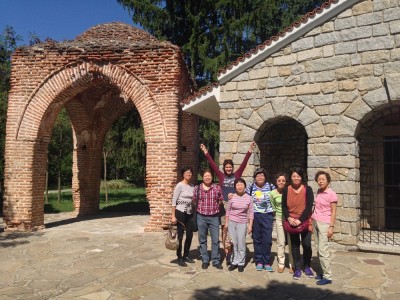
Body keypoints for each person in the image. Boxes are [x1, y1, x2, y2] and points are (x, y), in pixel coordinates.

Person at [200, 141, 255, 265]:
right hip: (223, 206)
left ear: (232, 168)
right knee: (224, 229)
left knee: (233, 230)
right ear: (224, 169)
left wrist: (249, 151)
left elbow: (244, 163)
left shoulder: (237, 175)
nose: (228, 169)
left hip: (235, 206)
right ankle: (226, 250)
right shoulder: (220, 176)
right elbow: (212, 164)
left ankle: (232, 251)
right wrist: (205, 151)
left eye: (230, 167)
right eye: (226, 167)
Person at [282, 167, 314, 280]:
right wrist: (289, 218)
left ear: (301, 177)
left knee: (307, 245)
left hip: (304, 220)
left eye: (298, 176)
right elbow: (284, 207)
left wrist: (300, 219)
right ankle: (297, 268)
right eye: (293, 176)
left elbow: (309, 206)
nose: (296, 178)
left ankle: (307, 266)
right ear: (290, 177)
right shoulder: (286, 190)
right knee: (294, 246)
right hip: (291, 221)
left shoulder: (307, 189)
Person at [193, 169, 224, 270]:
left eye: (209, 176)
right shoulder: (197, 188)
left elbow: (220, 200)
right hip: (201, 216)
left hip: (214, 217)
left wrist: (214, 208)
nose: (207, 177)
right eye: (205, 176)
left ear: (212, 177)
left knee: (215, 240)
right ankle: (205, 260)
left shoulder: (217, 188)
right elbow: (194, 200)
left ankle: (215, 260)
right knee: (202, 240)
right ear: (202, 177)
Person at [246, 167, 275, 272]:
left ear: (265, 177)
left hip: (267, 215)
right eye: (258, 175)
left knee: (267, 240)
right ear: (254, 178)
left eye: (262, 175)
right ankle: (259, 261)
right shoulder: (250, 188)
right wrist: (232, 195)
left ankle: (266, 261)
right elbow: (242, 196)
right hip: (255, 216)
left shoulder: (271, 187)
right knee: (257, 239)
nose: (260, 177)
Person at [312, 170, 337, 285]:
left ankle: (328, 276)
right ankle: (322, 272)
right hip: (315, 221)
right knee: (318, 248)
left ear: (328, 181)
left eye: (323, 179)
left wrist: (331, 227)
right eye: (319, 179)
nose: (321, 181)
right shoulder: (319, 191)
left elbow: (333, 212)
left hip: (325, 224)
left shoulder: (331, 194)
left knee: (323, 250)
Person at [226, 178, 254, 272]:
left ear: (245, 186)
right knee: (234, 243)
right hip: (232, 222)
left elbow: (251, 213)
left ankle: (241, 262)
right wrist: (226, 223)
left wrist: (250, 225)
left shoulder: (249, 198)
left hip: (242, 223)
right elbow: (228, 211)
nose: (240, 186)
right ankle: (235, 261)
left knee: (241, 243)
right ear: (235, 187)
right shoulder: (232, 197)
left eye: (241, 184)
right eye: (237, 185)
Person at [171, 167, 195, 267]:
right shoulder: (179, 185)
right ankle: (179, 257)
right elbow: (173, 201)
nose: (188, 174)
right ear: (183, 174)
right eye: (186, 172)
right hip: (180, 212)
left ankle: (186, 255)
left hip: (190, 212)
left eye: (190, 172)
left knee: (189, 235)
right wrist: (173, 216)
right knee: (180, 236)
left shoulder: (192, 186)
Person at [270, 172, 292, 273]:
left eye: (283, 180)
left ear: (286, 182)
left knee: (291, 242)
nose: (281, 182)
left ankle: (292, 264)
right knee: (281, 242)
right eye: (279, 180)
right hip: (279, 218)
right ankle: (281, 263)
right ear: (276, 182)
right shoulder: (273, 193)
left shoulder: (290, 191)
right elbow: (273, 206)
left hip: (290, 219)